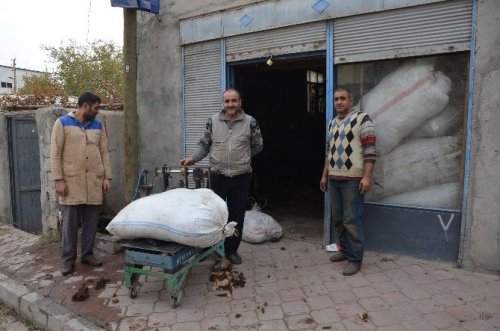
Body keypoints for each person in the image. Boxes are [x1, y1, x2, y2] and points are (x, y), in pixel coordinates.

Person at [180, 88, 263, 265]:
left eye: (234, 101)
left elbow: (257, 145)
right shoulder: (213, 121)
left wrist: (242, 158)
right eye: (227, 101)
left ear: (239, 103)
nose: (230, 104)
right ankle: (208, 245)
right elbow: (204, 143)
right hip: (218, 175)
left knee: (236, 216)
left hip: (241, 177)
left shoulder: (250, 122)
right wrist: (193, 158)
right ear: (223, 103)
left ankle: (231, 250)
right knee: (212, 214)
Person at [50, 92, 112, 276]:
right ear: (85, 105)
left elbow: (105, 152)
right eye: (96, 108)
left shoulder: (98, 125)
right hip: (71, 183)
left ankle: (87, 255)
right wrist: (59, 180)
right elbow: (55, 154)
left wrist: (107, 177)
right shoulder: (62, 123)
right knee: (70, 225)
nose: (98, 111)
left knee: (91, 223)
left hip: (93, 181)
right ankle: (68, 261)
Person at [320, 87, 376, 276]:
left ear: (351, 100)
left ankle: (355, 259)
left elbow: (370, 150)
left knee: (351, 220)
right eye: (336, 99)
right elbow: (329, 153)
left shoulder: (362, 119)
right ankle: (343, 251)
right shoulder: (332, 123)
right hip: (334, 179)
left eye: (343, 98)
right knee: (338, 220)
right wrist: (324, 175)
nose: (339, 102)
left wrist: (367, 176)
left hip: (353, 180)